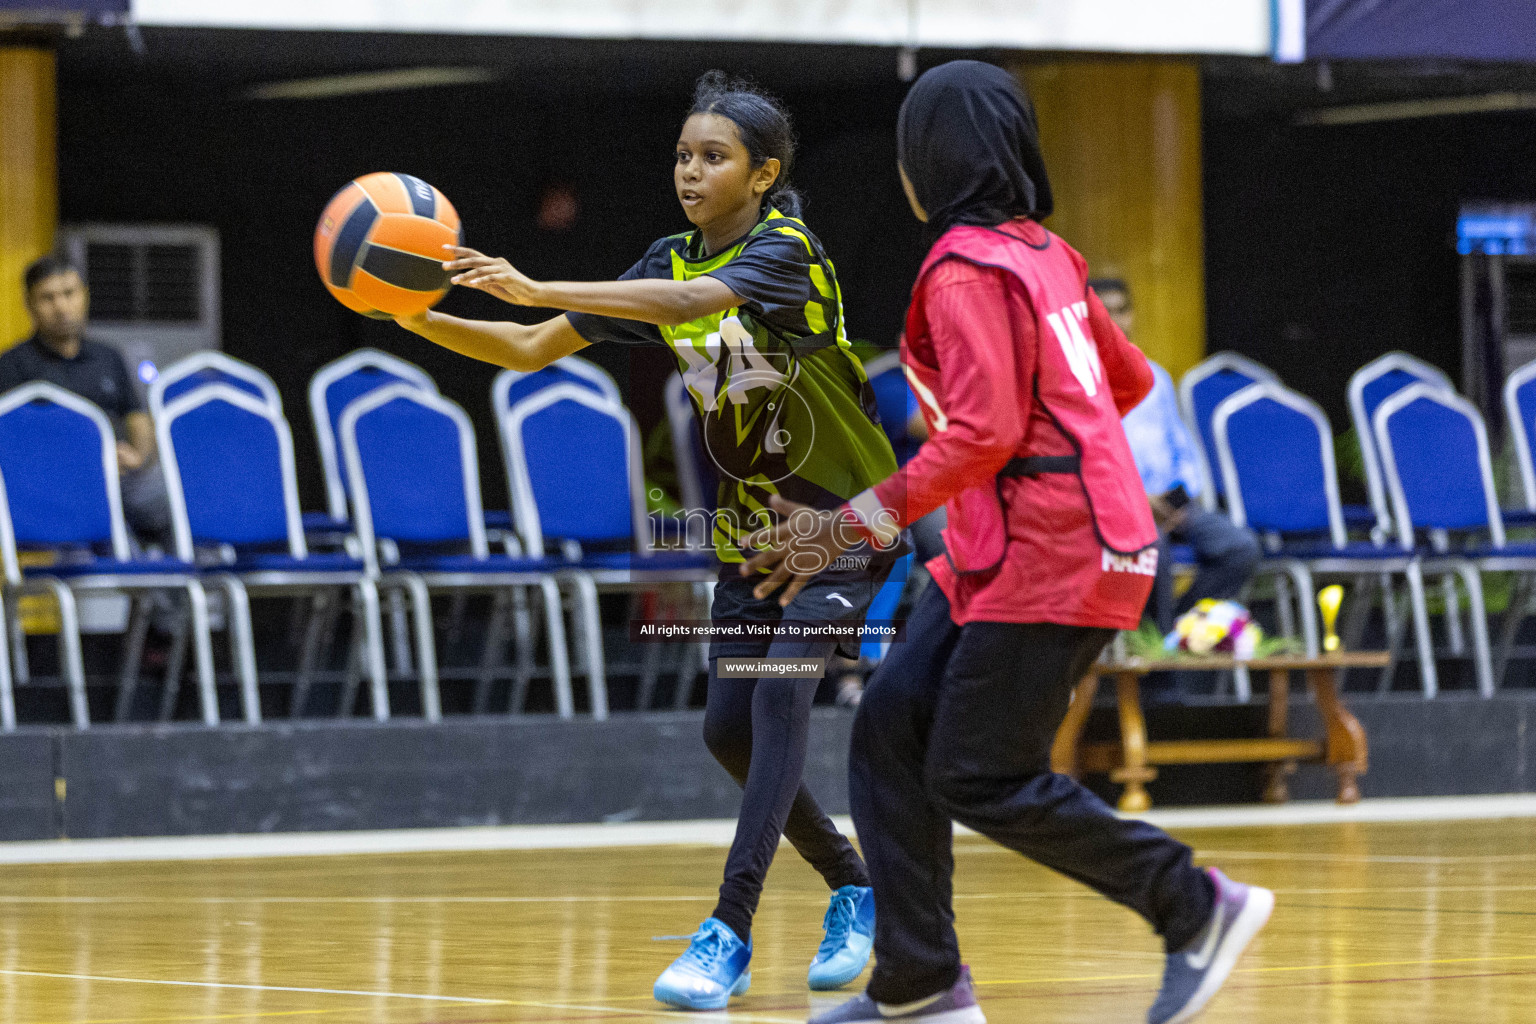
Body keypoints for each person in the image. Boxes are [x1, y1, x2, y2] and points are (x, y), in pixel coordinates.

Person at [742, 61, 1272, 1024]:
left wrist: (846, 525)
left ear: (925, 165)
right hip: (1026, 540)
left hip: (1051, 547)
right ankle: (918, 985)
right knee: (889, 724)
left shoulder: (963, 267)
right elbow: (1129, 381)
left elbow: (982, 431)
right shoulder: (1045, 254)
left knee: (980, 773)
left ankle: (1195, 905)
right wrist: (1059, 457)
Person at [392, 71, 901, 1009]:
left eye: (714, 157)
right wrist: (411, 313)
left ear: (763, 174)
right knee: (728, 734)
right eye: (682, 155)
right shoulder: (663, 255)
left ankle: (728, 931)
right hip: (752, 538)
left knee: (781, 699)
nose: (691, 171)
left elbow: (682, 305)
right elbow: (526, 349)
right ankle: (855, 883)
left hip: (845, 519)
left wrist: (535, 279)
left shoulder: (787, 249)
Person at [1103, 280, 1262, 637]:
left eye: (1121, 310)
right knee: (1151, 547)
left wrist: (1177, 498)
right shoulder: (1080, 380)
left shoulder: (1154, 377)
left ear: (1132, 315)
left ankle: (1175, 634)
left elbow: (1184, 454)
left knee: (1240, 547)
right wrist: (1140, 502)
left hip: (1171, 504)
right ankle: (1159, 665)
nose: (1114, 319)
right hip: (1117, 508)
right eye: (1104, 311)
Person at [0, 255, 170, 547]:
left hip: (126, 479)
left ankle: (195, 582)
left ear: (85, 296)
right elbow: (17, 445)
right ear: (30, 304)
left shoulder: (108, 356)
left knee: (186, 497)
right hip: (62, 488)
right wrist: (91, 460)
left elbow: (137, 417)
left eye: (69, 293)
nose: (61, 307)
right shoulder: (13, 366)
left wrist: (138, 458)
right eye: (48, 297)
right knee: (120, 541)